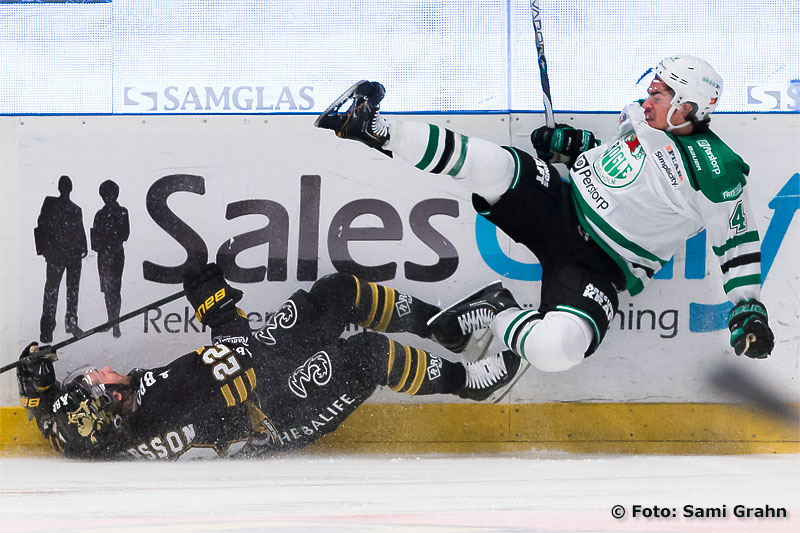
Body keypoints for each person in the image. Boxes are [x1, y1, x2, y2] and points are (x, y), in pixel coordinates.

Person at [314, 55, 775, 373]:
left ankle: (496, 311)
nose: (648, 98)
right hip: (561, 204)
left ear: (688, 108)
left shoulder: (717, 170)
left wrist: (748, 308)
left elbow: (736, 242)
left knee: (557, 350)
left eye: (660, 94)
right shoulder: (640, 116)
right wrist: (576, 147)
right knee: (493, 165)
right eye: (651, 89)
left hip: (599, 265)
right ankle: (371, 127)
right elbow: (626, 166)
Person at [17, 264, 521, 460]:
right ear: (114, 399)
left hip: (265, 365)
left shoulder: (133, 406)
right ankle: (471, 383)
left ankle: (447, 330)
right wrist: (216, 306)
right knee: (366, 356)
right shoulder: (156, 413)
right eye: (97, 379)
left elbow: (78, 434)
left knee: (337, 292)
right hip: (279, 409)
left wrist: (37, 396)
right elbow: (237, 358)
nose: (99, 368)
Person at [34, 175, 88, 343]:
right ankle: (48, 328)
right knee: (53, 290)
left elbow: (80, 230)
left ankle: (69, 323)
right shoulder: (51, 203)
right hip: (58, 254)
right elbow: (42, 224)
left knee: (68, 290)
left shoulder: (75, 209)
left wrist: (83, 247)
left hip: (71, 255)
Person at [91, 180, 130, 338]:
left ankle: (115, 322)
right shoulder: (100, 214)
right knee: (108, 290)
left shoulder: (121, 212)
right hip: (105, 255)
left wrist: (108, 242)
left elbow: (125, 234)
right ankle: (111, 320)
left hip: (114, 254)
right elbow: (94, 239)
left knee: (114, 288)